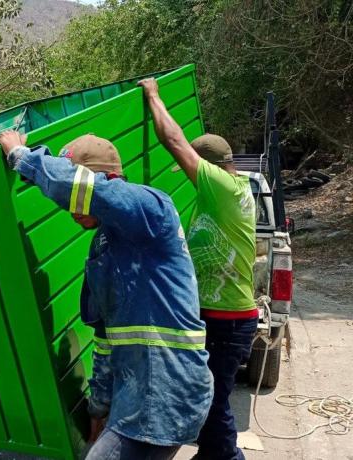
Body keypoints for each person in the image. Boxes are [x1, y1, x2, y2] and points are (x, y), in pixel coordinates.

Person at [0, 130, 212, 460]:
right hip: (134, 401)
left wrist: (20, 156)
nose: (71, 209)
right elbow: (105, 336)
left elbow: (77, 187)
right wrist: (99, 407)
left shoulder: (150, 207)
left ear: (109, 180)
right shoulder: (103, 248)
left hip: (167, 392)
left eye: (79, 195)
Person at [140, 78, 257, 460]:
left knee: (211, 402)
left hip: (227, 318)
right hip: (217, 315)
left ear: (208, 165)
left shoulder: (223, 187)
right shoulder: (221, 192)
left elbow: (174, 142)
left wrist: (154, 97)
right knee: (203, 399)